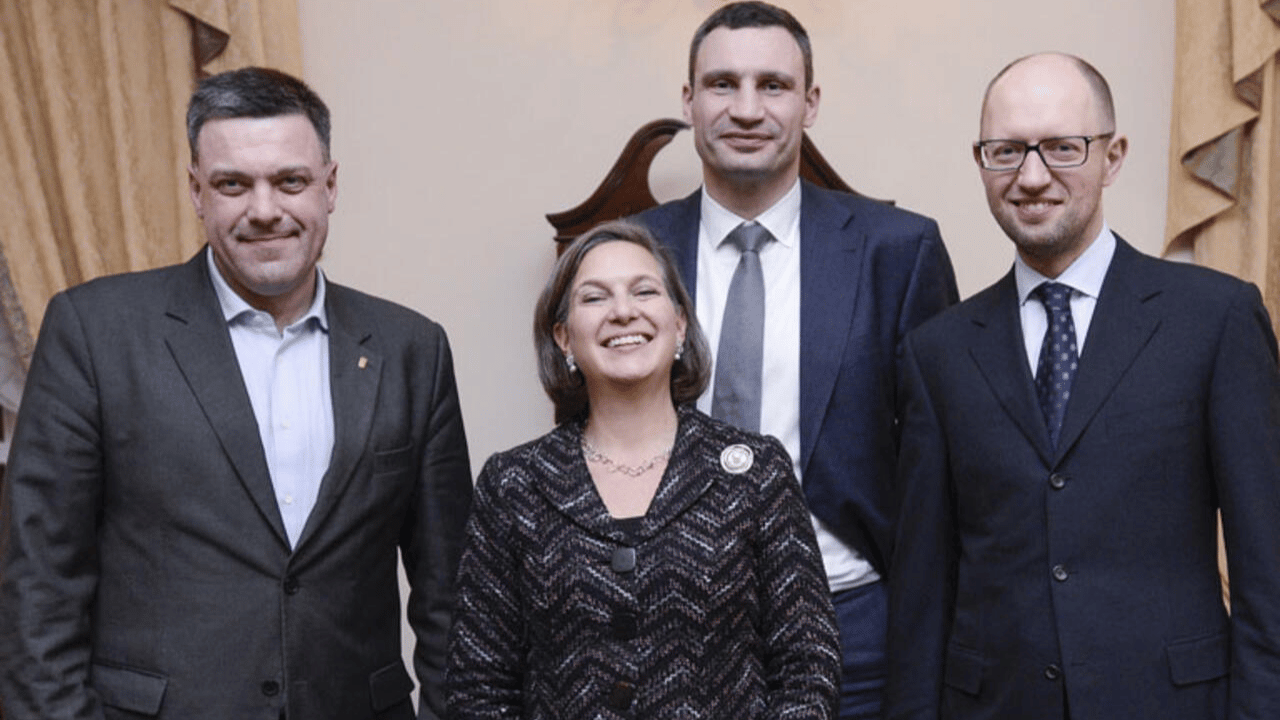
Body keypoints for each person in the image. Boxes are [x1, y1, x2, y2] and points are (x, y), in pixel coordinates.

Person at [0, 67, 473, 720]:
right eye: (233, 184)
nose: (265, 210)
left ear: (330, 186)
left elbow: (454, 595)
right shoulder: (95, 331)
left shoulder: (412, 348)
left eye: (290, 181)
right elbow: (39, 588)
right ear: (196, 191)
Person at [886, 52, 1280, 720]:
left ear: (1113, 156)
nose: (1031, 176)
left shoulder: (1215, 319)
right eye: (1006, 151)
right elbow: (923, 592)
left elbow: (1266, 568)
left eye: (1063, 148)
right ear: (981, 162)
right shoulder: (938, 352)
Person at [633, 4, 958, 717]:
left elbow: (939, 468)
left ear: (810, 104)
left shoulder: (896, 253)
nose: (747, 109)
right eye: (722, 84)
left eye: (773, 85)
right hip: (665, 624)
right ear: (689, 101)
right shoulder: (631, 251)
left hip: (853, 627)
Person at [446, 221, 840, 718]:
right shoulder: (513, 485)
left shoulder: (756, 474)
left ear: (679, 324)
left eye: (644, 291)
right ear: (563, 338)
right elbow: (478, 686)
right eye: (595, 298)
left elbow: (809, 666)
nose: (623, 311)